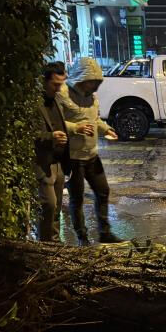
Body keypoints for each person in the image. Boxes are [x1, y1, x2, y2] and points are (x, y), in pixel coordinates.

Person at [58, 57, 121, 245]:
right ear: (81, 79)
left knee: (103, 191)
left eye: (96, 82)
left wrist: (106, 129)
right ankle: (82, 237)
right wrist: (75, 128)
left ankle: (105, 233)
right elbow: (55, 122)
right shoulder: (62, 94)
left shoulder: (92, 98)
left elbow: (96, 120)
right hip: (73, 157)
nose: (94, 85)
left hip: (92, 155)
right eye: (91, 81)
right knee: (76, 199)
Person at [35, 62, 73, 242]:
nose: (59, 88)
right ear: (44, 81)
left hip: (59, 162)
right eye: (55, 84)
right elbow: (27, 134)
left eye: (62, 83)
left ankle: (55, 245)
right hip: (43, 162)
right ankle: (44, 246)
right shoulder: (34, 104)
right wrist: (51, 137)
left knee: (56, 207)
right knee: (48, 205)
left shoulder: (57, 100)